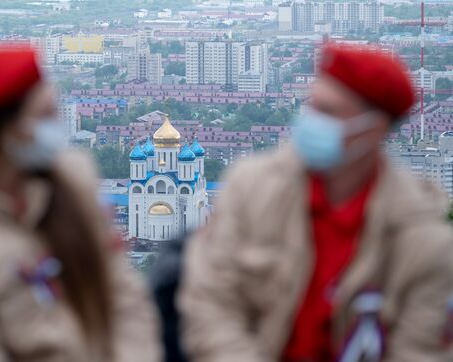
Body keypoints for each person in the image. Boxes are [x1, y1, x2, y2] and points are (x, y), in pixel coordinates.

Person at [178, 43, 453, 362]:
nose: (310, 121)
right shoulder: (252, 189)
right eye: (312, 106)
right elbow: (210, 305)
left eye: (328, 111)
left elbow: (417, 348)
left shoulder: (422, 235)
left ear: (372, 129)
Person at [0, 47, 161, 362]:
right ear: (8, 132)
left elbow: (124, 298)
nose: (59, 126)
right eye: (46, 115)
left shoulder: (71, 177)